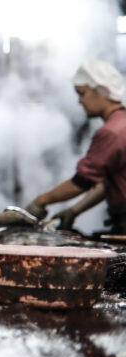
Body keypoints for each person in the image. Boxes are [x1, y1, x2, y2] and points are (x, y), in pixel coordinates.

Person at [20, 59, 126, 234]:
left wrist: (40, 201)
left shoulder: (112, 132)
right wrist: (74, 210)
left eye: (82, 93)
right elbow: (108, 183)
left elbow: (82, 181)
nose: (80, 101)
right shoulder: (121, 123)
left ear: (102, 91)